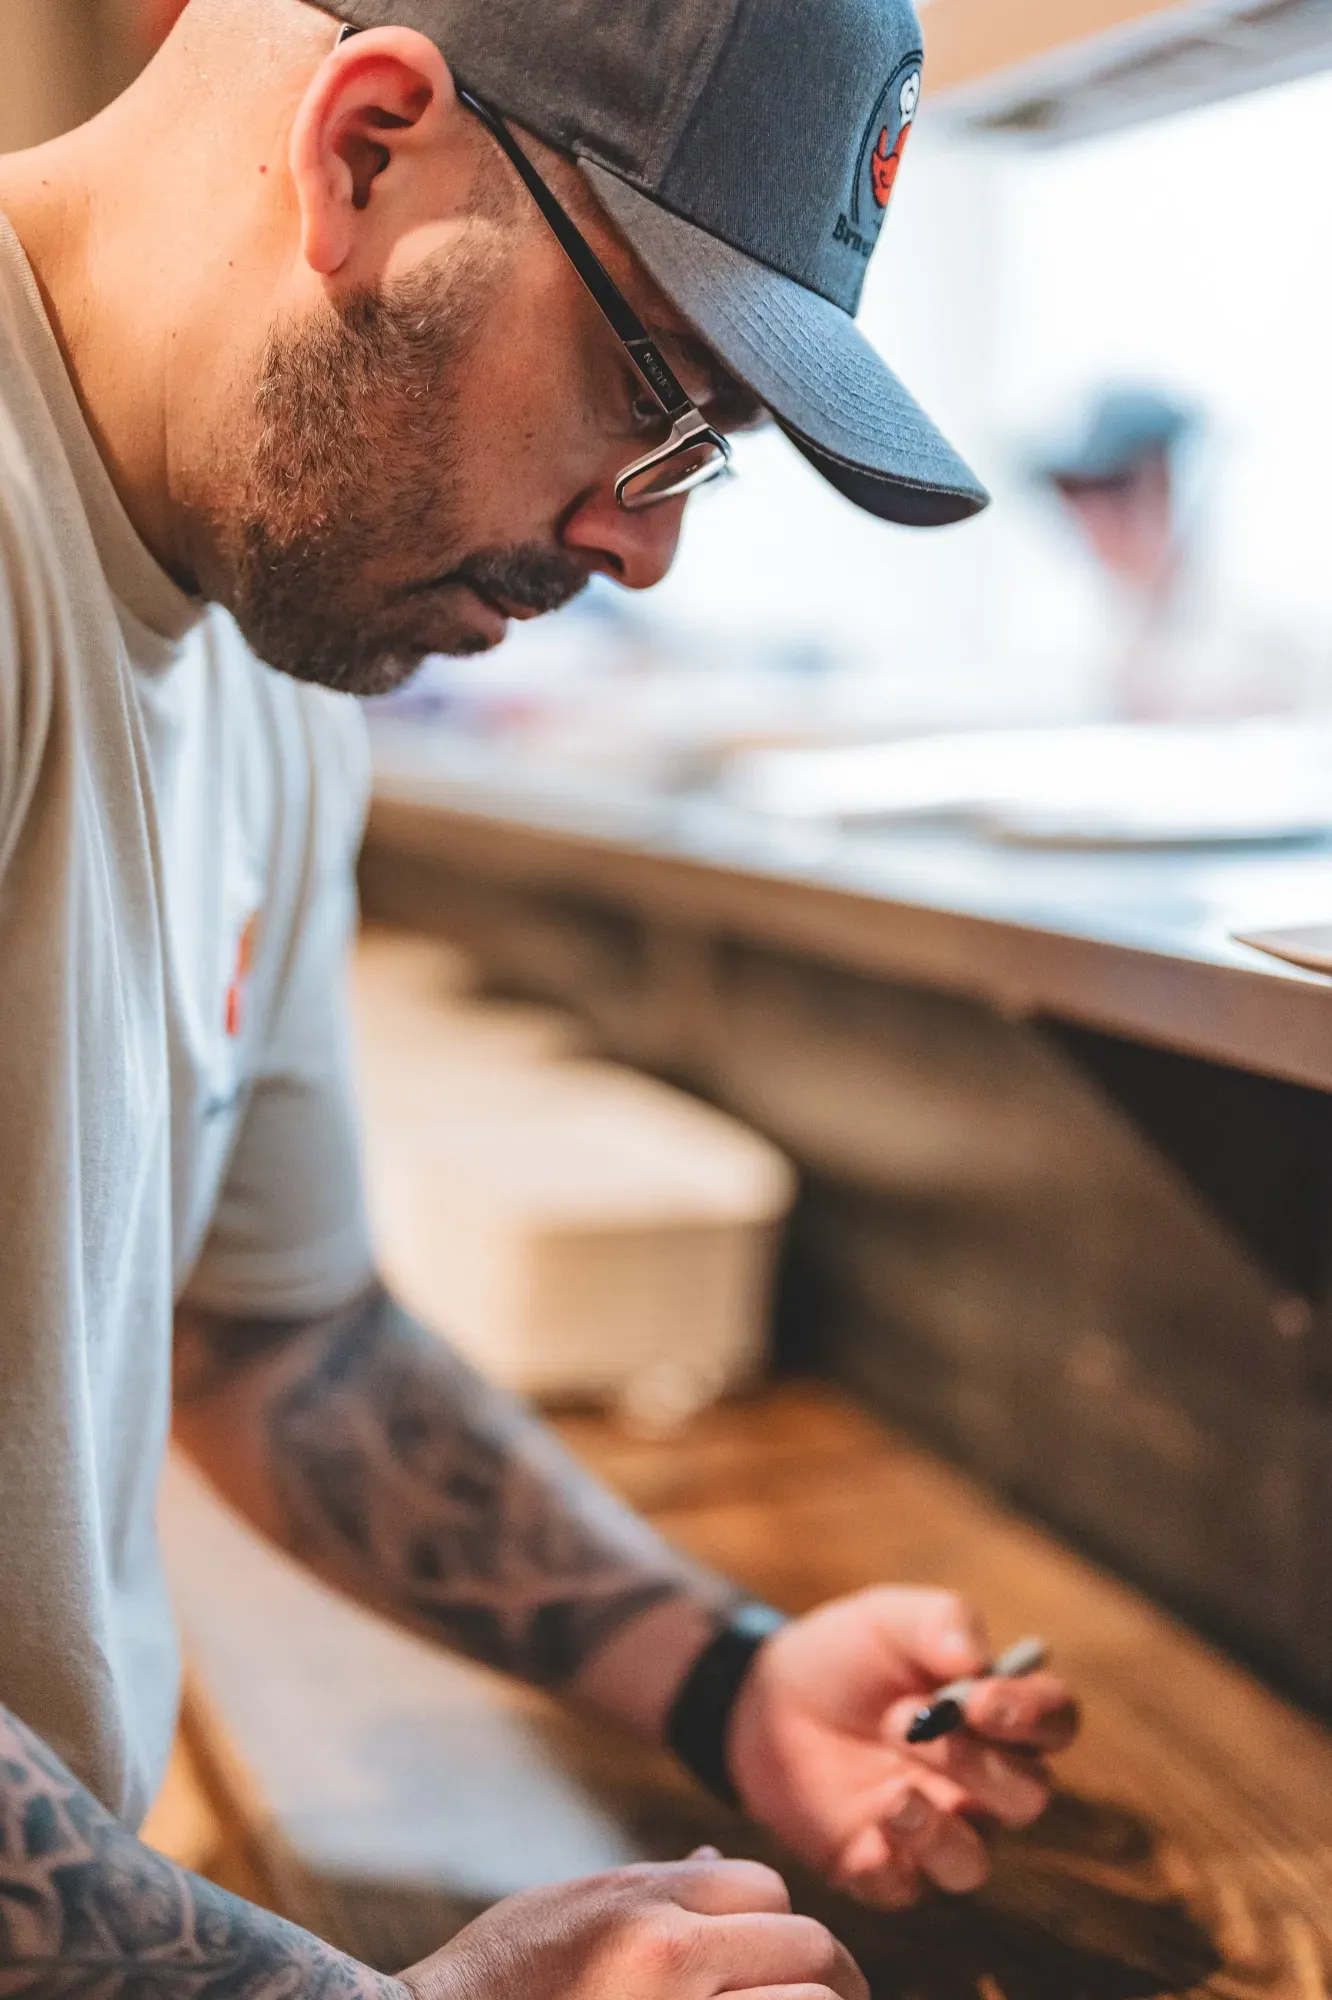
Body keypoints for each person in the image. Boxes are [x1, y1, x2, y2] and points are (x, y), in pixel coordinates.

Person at [0, 0, 1079, 1994]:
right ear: (364, 149)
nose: (647, 544)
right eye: (650, 393)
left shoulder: (269, 643)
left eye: (705, 467)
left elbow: (277, 1339)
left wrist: (729, 1676)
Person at [1036, 388, 1306, 721]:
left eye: (1117, 490)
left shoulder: (1261, 631)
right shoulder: (1077, 626)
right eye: (1079, 493)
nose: (1093, 519)